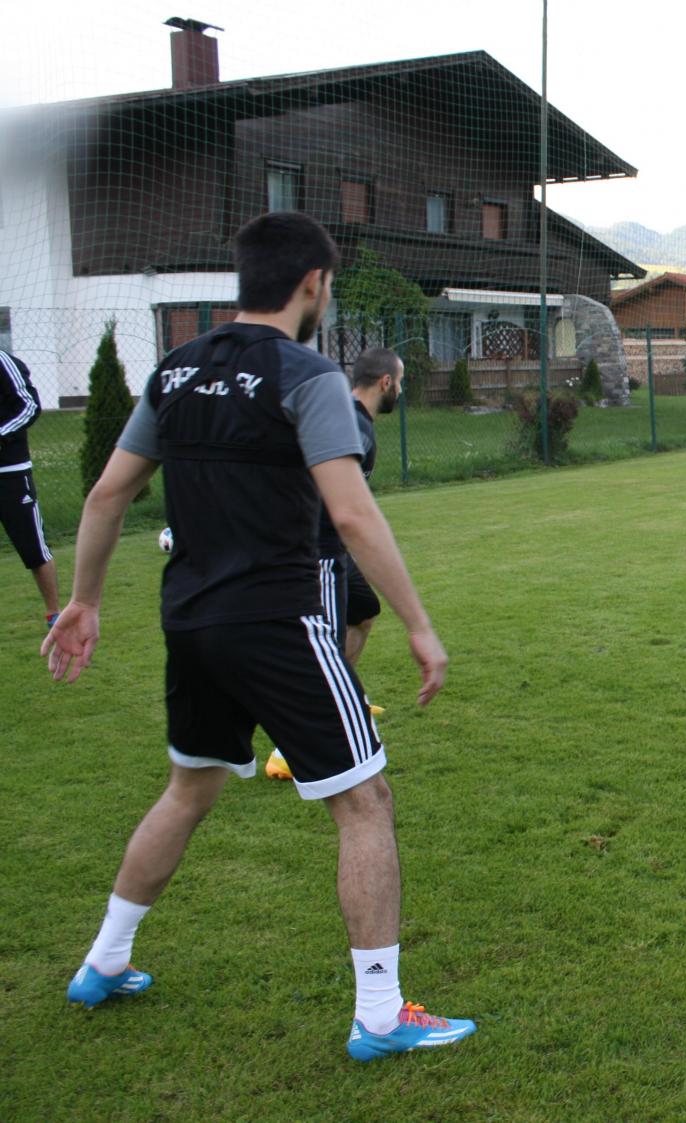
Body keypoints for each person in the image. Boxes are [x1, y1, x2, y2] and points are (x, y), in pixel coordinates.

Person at [43, 212, 476, 1060]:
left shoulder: (174, 369)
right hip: (280, 620)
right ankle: (380, 1015)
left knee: (190, 788)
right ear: (314, 284)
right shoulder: (306, 374)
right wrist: (420, 625)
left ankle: (104, 960)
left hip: (190, 619)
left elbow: (105, 495)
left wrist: (85, 600)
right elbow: (352, 514)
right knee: (365, 800)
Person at [267, 346, 402, 781]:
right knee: (318, 649)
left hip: (333, 548)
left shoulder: (349, 418)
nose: (402, 390)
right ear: (386, 383)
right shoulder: (353, 426)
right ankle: (289, 747)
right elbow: (323, 494)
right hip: (315, 553)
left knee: (363, 614)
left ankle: (347, 698)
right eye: (401, 381)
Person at [1, 350, 60, 630]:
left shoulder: (3, 362)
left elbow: (30, 405)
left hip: (10, 473)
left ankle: (54, 615)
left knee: (34, 549)